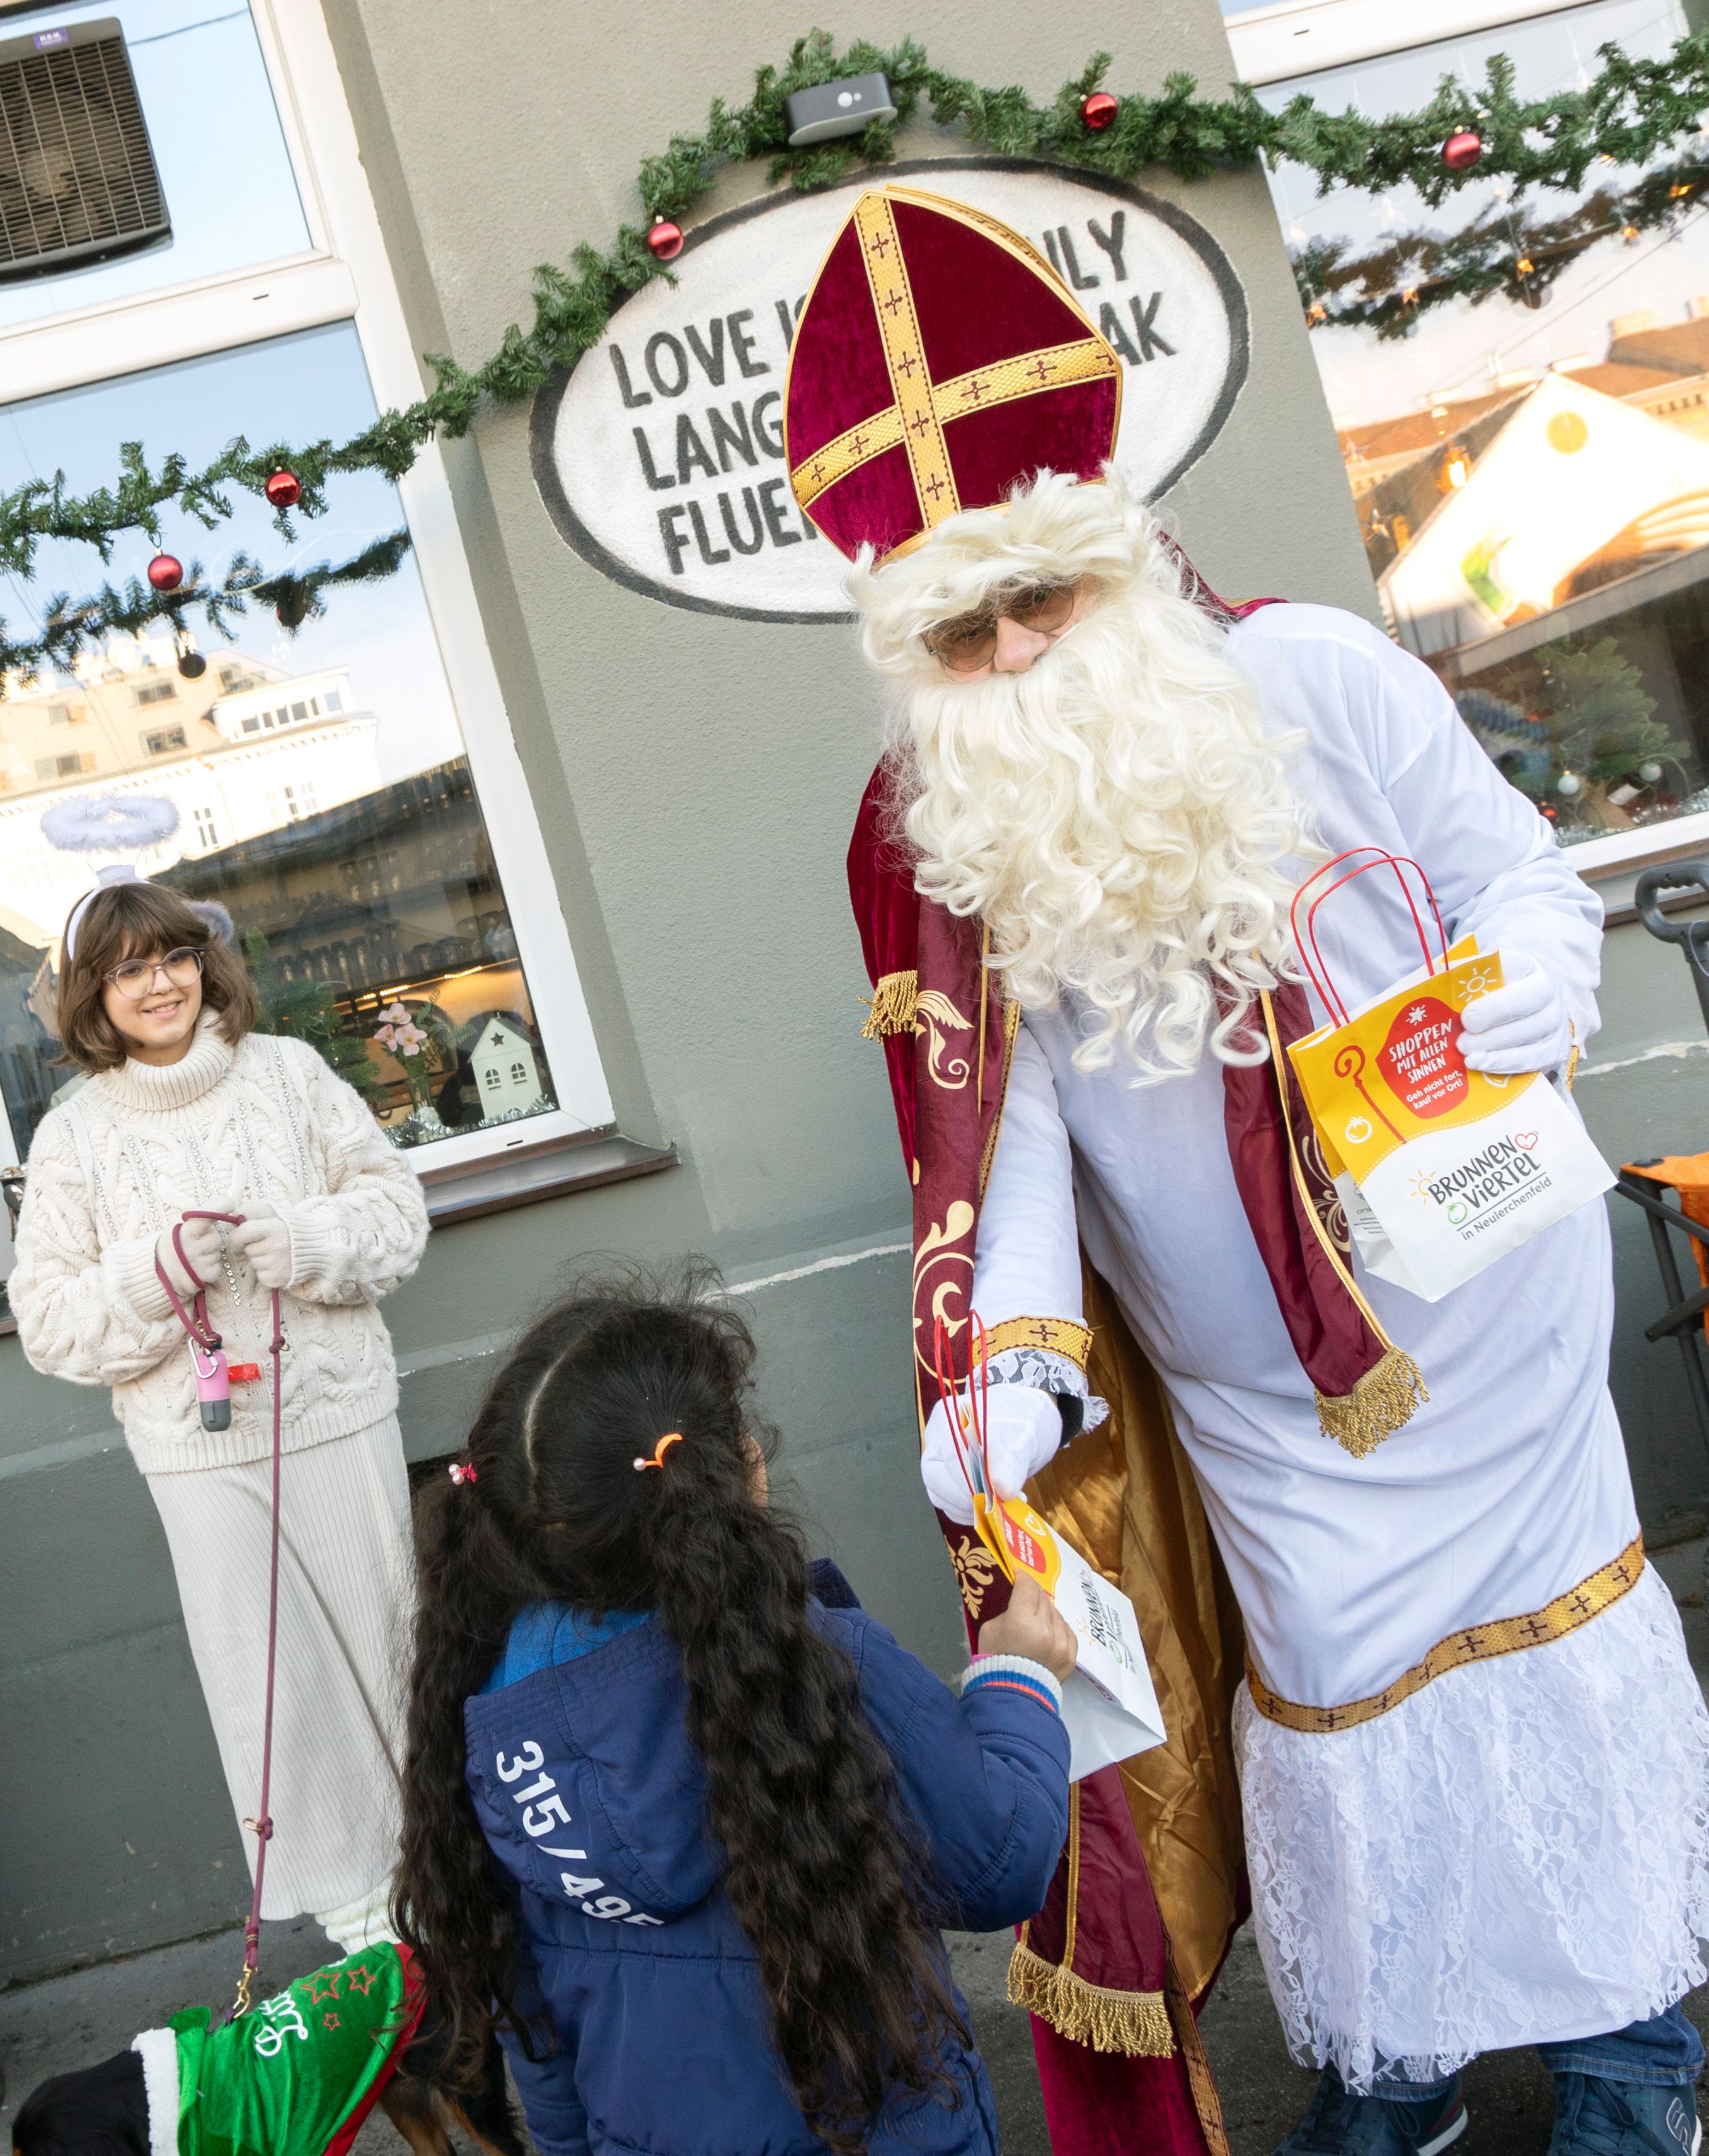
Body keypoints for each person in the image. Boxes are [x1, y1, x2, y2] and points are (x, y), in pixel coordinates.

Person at [788, 184, 1709, 2156]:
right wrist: (1006, 1361)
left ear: (1108, 554)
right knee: (1336, 1714)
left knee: (1554, 1672)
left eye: (1043, 599)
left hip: (1481, 1311)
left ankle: (1633, 2057)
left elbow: (1522, 882)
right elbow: (1009, 1129)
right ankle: (1401, 2064)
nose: (1015, 654)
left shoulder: (1317, 675)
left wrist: (1508, 1002)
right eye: (963, 629)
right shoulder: (949, 825)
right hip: (1253, 1393)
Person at [392, 1266, 1074, 2156]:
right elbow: (1001, 1859)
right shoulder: (819, 1661)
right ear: (722, 1470)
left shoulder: (481, 1701)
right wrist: (1019, 1680)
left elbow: (539, 2021)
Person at [10, 870, 429, 1955]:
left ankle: (457, 1886)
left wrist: (314, 1240)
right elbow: (48, 1323)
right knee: (278, 1691)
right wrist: (152, 1279)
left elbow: (396, 1209)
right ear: (92, 997)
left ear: (206, 963)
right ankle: (372, 1940)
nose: (160, 984)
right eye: (129, 970)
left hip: (339, 1417)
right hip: (200, 1460)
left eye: (175, 957)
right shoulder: (73, 1137)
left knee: (399, 1653)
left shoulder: (288, 1073)